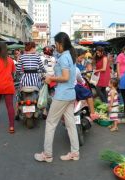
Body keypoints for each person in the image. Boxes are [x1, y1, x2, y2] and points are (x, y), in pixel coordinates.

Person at [34, 32, 79, 162]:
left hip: (62, 95)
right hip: (70, 94)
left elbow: (65, 77)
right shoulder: (70, 56)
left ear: (60, 43)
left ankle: (47, 154)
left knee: (50, 122)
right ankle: (75, 153)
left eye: (56, 44)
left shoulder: (65, 57)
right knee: (70, 124)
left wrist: (51, 78)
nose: (55, 46)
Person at [75, 50, 99, 120]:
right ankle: (93, 113)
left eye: (83, 58)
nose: (82, 59)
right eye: (81, 57)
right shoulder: (76, 68)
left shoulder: (85, 62)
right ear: (76, 57)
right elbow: (80, 79)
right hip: (78, 84)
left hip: (81, 82)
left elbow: (89, 69)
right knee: (89, 94)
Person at [0, 42, 16, 133]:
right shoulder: (10, 60)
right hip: (8, 85)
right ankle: (12, 126)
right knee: (10, 106)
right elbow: (13, 73)